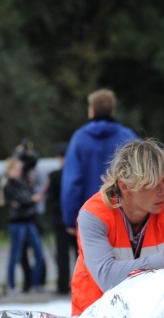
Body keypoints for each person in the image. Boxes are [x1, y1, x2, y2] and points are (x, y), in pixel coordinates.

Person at [71, 139, 164, 315]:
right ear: (124, 187)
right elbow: (107, 277)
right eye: (152, 184)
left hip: (145, 316)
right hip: (94, 316)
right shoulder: (93, 216)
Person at [61, 89, 139, 241]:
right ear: (112, 110)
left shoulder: (80, 138)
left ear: (92, 111)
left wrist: (71, 219)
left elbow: (72, 183)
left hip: (90, 216)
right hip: (125, 216)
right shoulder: (129, 137)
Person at [3, 156, 47, 293]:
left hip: (29, 220)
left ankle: (35, 284)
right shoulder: (8, 185)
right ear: (9, 170)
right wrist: (30, 200)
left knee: (39, 253)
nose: (20, 171)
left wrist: (27, 201)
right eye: (16, 169)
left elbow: (24, 201)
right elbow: (22, 200)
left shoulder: (22, 182)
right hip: (17, 223)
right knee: (15, 255)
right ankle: (11, 285)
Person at [47, 142, 73, 295]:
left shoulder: (55, 176)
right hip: (76, 221)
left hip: (60, 221)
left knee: (62, 255)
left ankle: (62, 285)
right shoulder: (78, 174)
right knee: (79, 255)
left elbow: (52, 199)